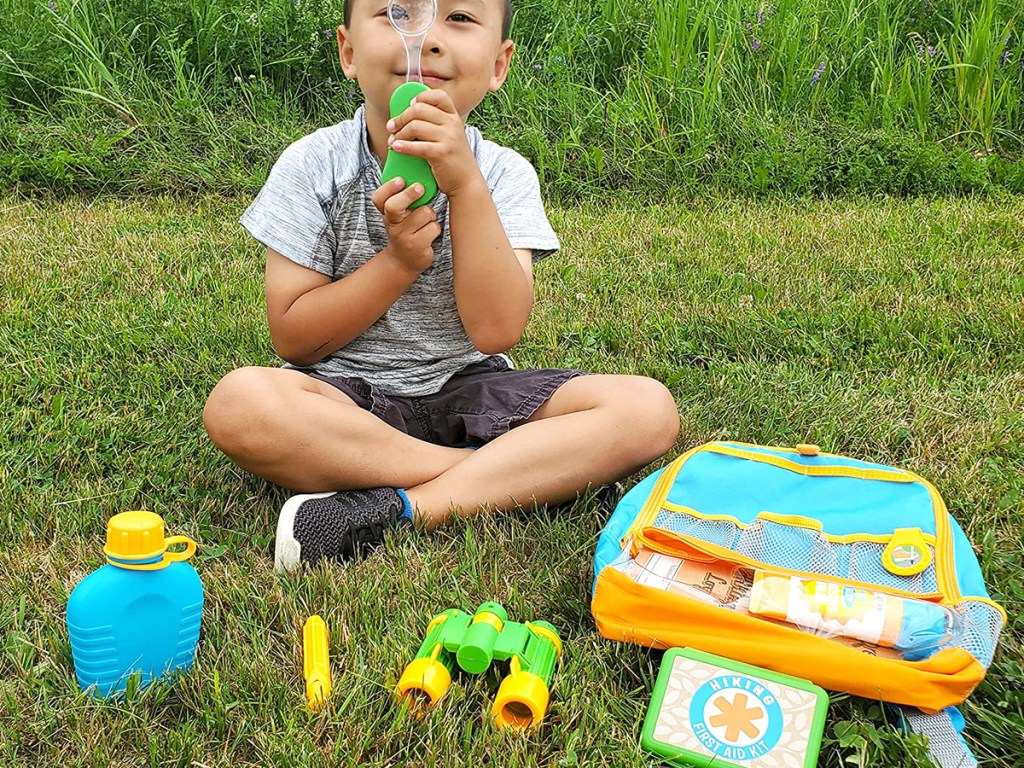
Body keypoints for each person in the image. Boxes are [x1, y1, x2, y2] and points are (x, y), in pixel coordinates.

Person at [202, 0, 680, 572]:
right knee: (239, 403)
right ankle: (496, 472)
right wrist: (398, 264)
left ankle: (404, 507)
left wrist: (467, 188)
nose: (425, 38)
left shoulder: (504, 173)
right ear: (348, 51)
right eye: (396, 13)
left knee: (647, 409)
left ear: (499, 65)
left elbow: (497, 331)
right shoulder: (311, 166)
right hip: (343, 400)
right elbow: (295, 340)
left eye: (458, 18)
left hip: (468, 388)